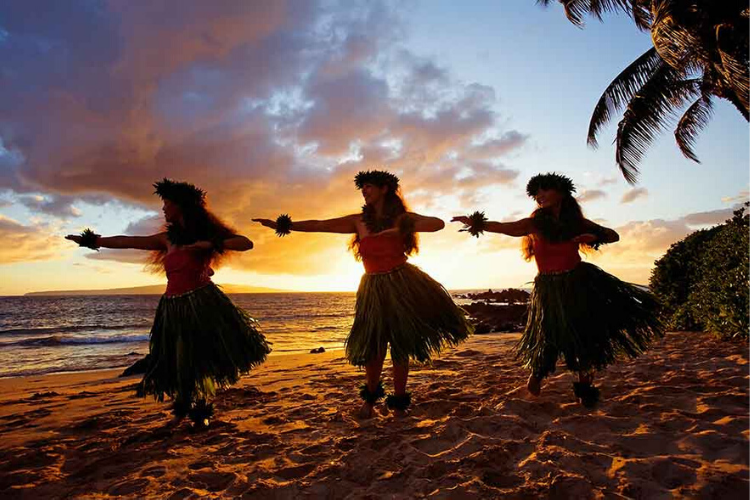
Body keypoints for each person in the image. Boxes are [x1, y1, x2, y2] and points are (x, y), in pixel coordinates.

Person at [253, 170, 473, 418]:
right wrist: (285, 225)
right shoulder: (358, 221)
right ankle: (370, 398)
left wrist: (399, 229)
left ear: (385, 189)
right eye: (363, 188)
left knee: (401, 344)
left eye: (368, 186)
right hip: (372, 288)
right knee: (374, 345)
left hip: (402, 283)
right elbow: (321, 225)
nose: (364, 191)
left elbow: (437, 224)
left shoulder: (403, 217)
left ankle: (399, 402)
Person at [66, 178, 271, 428]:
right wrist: (92, 241)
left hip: (202, 305)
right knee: (178, 359)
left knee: (198, 359)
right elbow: (128, 241)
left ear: (182, 206)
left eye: (167, 204)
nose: (163, 209)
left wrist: (210, 244)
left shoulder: (206, 234)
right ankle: (183, 409)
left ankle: (200, 410)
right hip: (172, 307)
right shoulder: (167, 239)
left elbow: (245, 243)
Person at [452, 172, 663, 407]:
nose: (539, 196)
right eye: (536, 193)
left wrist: (592, 236)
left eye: (544, 191)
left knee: (584, 337)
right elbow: (507, 228)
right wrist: (476, 223)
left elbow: (613, 235)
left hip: (579, 284)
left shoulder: (576, 223)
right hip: (549, 287)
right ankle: (537, 374)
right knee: (547, 333)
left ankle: (585, 388)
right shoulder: (534, 223)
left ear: (560, 192)